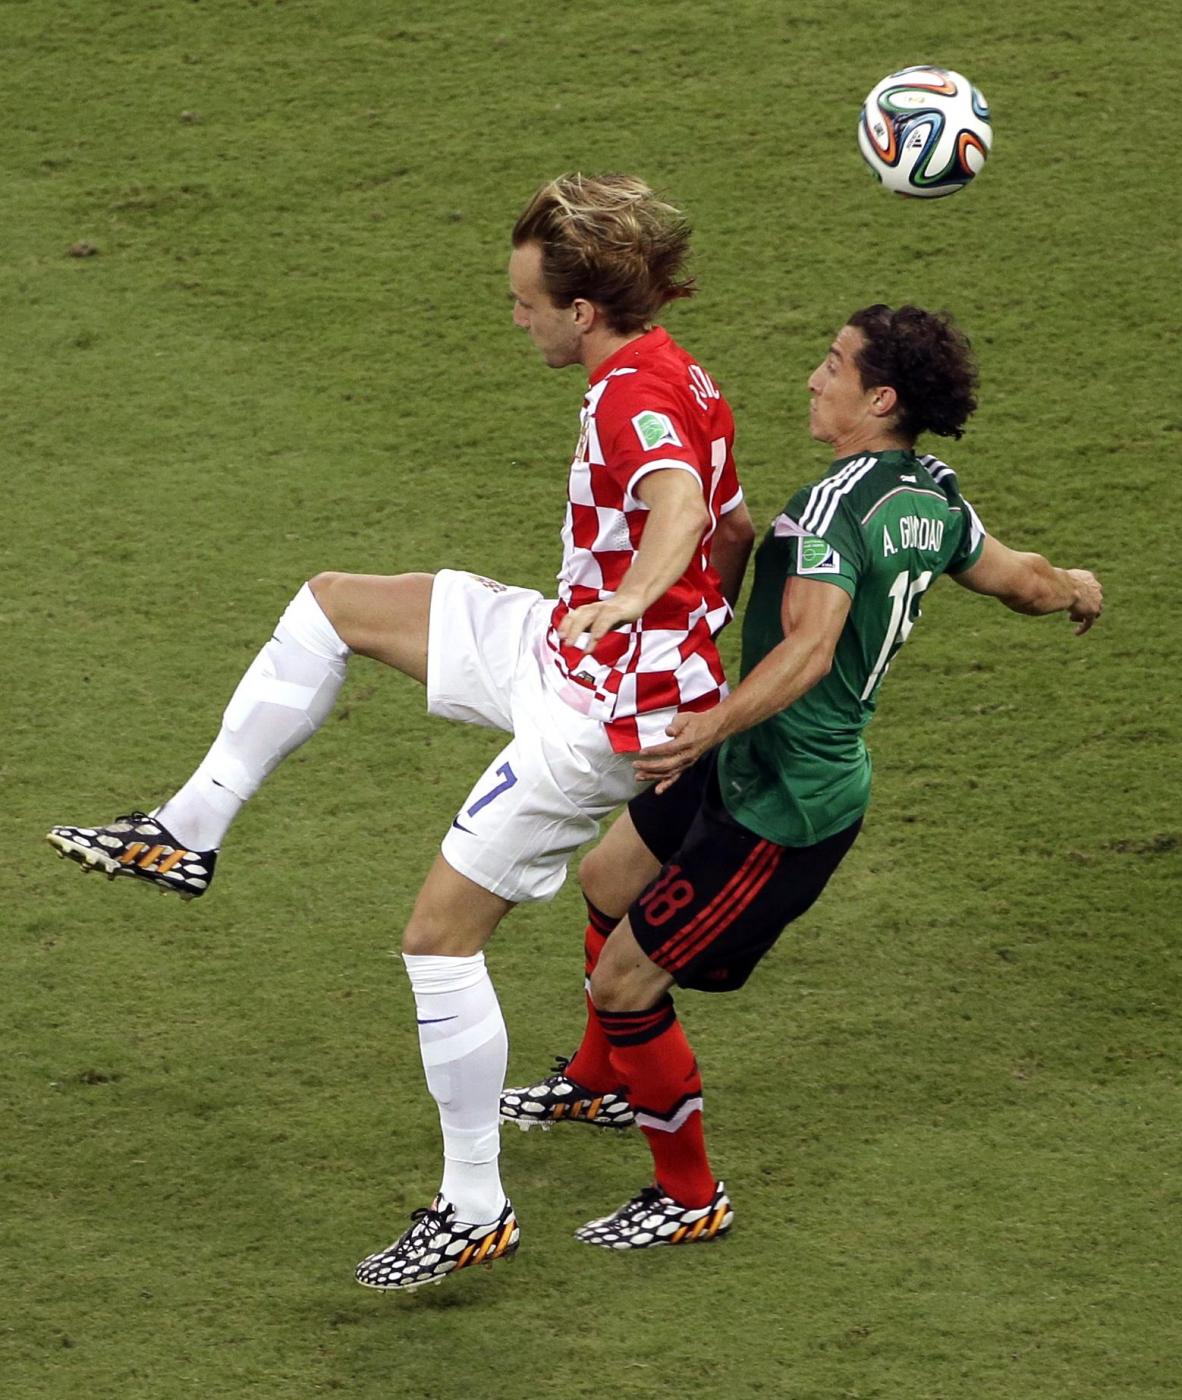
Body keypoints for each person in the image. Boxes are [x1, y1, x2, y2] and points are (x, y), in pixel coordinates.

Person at [45, 174, 756, 1291]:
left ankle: (474, 1206)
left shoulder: (632, 398)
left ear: (581, 311)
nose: (514, 318)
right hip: (571, 652)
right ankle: (186, 831)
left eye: (524, 302)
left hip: (598, 713)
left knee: (437, 938)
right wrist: (684, 637)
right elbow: (736, 527)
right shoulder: (678, 371)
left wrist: (637, 607)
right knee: (331, 604)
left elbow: (681, 508)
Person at [501, 304, 1103, 1250]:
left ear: (881, 398)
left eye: (834, 364)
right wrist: (1073, 586)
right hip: (749, 754)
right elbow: (1017, 579)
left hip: (786, 801)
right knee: (609, 878)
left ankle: (690, 1197)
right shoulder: (931, 497)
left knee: (627, 984)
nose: (815, 378)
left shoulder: (833, 511)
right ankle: (601, 1082)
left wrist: (708, 725)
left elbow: (810, 651)